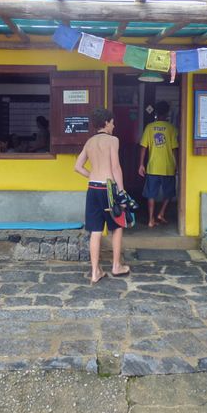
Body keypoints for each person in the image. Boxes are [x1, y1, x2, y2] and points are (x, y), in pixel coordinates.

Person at [74, 108, 130, 284]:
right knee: (117, 226)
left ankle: (95, 272)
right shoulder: (113, 140)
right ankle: (116, 266)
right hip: (108, 188)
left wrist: (92, 175)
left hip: (93, 188)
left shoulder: (89, 142)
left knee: (96, 231)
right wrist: (121, 191)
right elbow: (115, 167)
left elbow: (77, 166)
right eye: (112, 122)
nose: (114, 125)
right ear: (106, 122)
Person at [138, 101, 179, 228]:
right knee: (169, 193)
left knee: (151, 194)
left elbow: (143, 147)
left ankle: (151, 220)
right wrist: (177, 165)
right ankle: (161, 213)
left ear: (156, 112)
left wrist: (141, 165)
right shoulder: (172, 128)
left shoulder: (149, 127)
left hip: (153, 167)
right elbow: (174, 149)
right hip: (168, 167)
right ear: (167, 113)